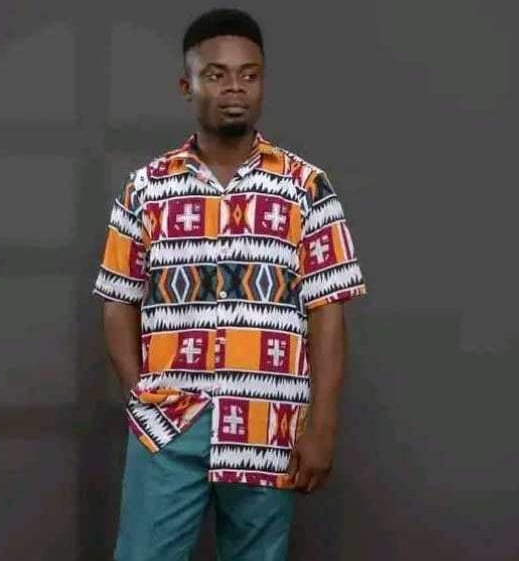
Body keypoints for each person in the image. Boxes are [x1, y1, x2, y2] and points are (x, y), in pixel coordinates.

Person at [92, 8, 368, 561]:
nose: (235, 88)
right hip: (169, 422)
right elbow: (118, 301)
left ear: (263, 83)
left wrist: (322, 425)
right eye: (216, 75)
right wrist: (143, 396)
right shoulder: (145, 189)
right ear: (186, 86)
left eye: (249, 74)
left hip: (269, 422)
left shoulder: (306, 187)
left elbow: (327, 310)